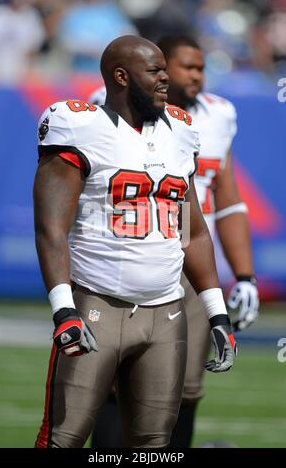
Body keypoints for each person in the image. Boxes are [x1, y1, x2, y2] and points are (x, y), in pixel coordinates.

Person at [33, 35, 237, 449]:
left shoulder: (180, 131)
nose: (165, 79)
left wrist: (217, 312)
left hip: (166, 312)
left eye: (165, 69)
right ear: (121, 77)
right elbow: (51, 227)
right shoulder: (80, 125)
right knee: (64, 438)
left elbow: (191, 230)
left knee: (153, 444)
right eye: (156, 71)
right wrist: (63, 310)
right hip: (97, 304)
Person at [89, 34, 258, 448]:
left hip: (191, 258)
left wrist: (245, 275)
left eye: (200, 68)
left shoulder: (218, 115)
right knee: (113, 381)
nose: (195, 76)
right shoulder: (104, 105)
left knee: (184, 387)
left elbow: (226, 199)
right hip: (128, 251)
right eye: (185, 67)